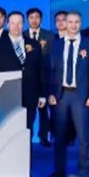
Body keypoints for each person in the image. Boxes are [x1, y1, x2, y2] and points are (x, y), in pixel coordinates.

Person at [46, 11, 89, 177]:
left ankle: (83, 170)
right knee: (59, 135)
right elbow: (50, 71)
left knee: (83, 135)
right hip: (60, 95)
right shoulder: (56, 44)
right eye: (69, 22)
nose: (73, 25)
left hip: (81, 95)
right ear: (64, 24)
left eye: (76, 22)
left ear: (80, 23)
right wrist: (49, 93)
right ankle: (59, 170)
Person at [0, 12, 45, 133]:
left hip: (30, 94)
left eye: (19, 23)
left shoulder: (34, 44)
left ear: (24, 24)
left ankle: (28, 146)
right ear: (7, 24)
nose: (16, 26)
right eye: (13, 23)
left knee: (28, 127)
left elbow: (40, 70)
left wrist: (42, 94)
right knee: (7, 129)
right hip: (6, 95)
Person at [26, 8, 54, 146]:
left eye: (37, 17)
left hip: (45, 77)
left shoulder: (49, 35)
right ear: (27, 19)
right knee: (28, 112)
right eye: (31, 17)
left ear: (41, 19)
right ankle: (27, 138)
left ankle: (43, 136)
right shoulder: (22, 35)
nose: (34, 20)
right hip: (29, 78)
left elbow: (53, 56)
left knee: (44, 110)